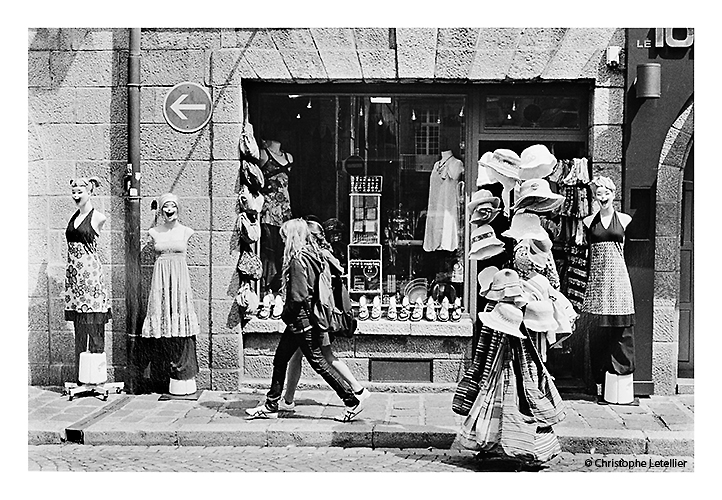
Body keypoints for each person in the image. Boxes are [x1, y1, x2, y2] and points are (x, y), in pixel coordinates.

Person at [246, 218, 370, 421]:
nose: (282, 239)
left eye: (285, 235)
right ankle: (271, 403)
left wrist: (285, 314)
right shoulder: (313, 255)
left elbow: (298, 295)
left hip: (301, 320)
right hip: (306, 318)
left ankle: (352, 401)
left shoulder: (297, 259)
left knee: (319, 363)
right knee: (281, 359)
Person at [279, 218, 370, 411]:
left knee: (324, 358)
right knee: (296, 357)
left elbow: (316, 291)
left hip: (317, 315)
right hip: (318, 314)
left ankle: (357, 391)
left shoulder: (317, 257)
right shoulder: (319, 255)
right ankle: (287, 399)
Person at [581, 176, 636, 405]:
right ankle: (601, 383)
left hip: (619, 282)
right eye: (598, 194)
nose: (603, 198)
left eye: (607, 194)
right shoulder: (587, 222)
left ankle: (622, 376)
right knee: (598, 333)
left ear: (614, 194)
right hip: (597, 284)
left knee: (622, 331)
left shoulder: (623, 220)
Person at [140, 193, 200, 396]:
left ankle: (185, 371)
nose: (169, 210)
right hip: (161, 280)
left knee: (181, 320)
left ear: (178, 208)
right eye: (165, 206)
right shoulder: (154, 232)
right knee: (165, 319)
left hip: (180, 280)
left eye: (172, 206)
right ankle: (169, 371)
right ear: (161, 209)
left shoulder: (186, 231)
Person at [64, 177, 111, 383]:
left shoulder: (98, 217)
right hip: (75, 281)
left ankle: (97, 379)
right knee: (79, 329)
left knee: (94, 326)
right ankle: (81, 378)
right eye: (73, 192)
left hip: (90, 279)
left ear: (89, 192)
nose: (76, 196)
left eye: (79, 192)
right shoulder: (74, 217)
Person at [258, 139, 294, 295]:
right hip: (269, 209)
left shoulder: (289, 157)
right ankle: (268, 286)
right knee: (269, 248)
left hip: (285, 209)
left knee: (283, 248)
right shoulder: (263, 154)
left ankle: (280, 285)